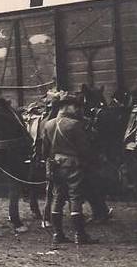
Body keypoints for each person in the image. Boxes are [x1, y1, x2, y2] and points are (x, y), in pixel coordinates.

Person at [40, 94, 96, 245]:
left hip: (56, 165)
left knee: (58, 197)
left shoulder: (48, 124)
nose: (77, 109)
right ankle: (80, 235)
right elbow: (85, 149)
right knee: (75, 197)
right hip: (73, 165)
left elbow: (44, 150)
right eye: (75, 106)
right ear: (66, 106)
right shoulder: (75, 125)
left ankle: (58, 234)